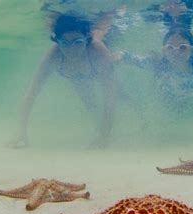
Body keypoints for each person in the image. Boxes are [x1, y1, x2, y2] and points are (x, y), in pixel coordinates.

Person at [8, 11, 119, 149]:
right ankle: (99, 130)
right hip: (77, 78)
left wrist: (105, 137)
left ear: (87, 39)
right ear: (57, 41)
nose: (71, 49)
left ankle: (106, 132)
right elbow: (31, 93)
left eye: (77, 42)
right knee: (90, 104)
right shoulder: (53, 56)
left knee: (118, 95)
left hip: (97, 70)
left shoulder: (98, 50)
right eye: (64, 42)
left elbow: (109, 96)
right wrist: (21, 133)